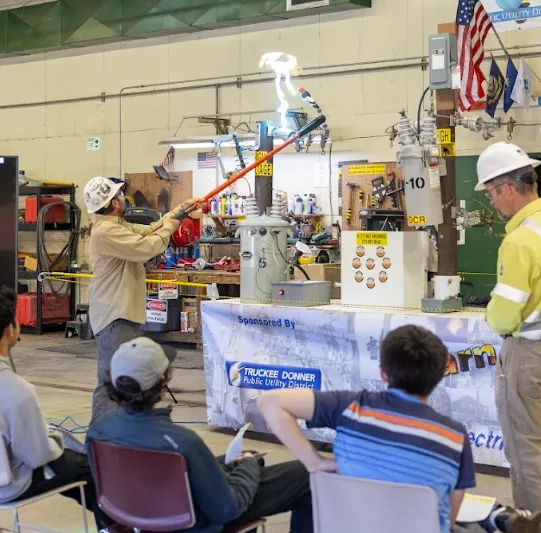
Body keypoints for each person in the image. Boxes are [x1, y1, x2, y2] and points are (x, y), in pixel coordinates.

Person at [257, 324, 541, 533]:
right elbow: (448, 517)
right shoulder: (454, 438)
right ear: (441, 374)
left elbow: (270, 402)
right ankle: (497, 517)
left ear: (383, 373)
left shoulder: (350, 407)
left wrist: (314, 462)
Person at [86, 336, 314, 533]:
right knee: (306, 475)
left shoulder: (98, 430)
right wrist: (248, 466)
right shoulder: (182, 442)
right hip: (195, 523)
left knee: (245, 458)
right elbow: (227, 508)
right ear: (162, 381)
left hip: (140, 513)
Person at [475, 142, 541, 533]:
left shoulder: (519, 240)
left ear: (507, 187)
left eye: (491, 192)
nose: (491, 202)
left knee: (527, 457)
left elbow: (505, 315)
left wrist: (490, 310)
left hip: (528, 354)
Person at [83, 176, 199, 422]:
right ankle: (102, 433)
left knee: (122, 377)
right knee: (113, 379)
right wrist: (171, 226)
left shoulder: (116, 225)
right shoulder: (106, 231)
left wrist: (179, 211)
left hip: (121, 311)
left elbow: (148, 230)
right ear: (114, 203)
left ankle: (117, 431)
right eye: (119, 195)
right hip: (114, 313)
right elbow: (146, 247)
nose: (123, 198)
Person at [0, 286, 110, 529]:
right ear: (10, 330)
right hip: (9, 486)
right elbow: (37, 455)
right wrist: (55, 441)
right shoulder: (16, 391)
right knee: (92, 469)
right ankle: (113, 526)